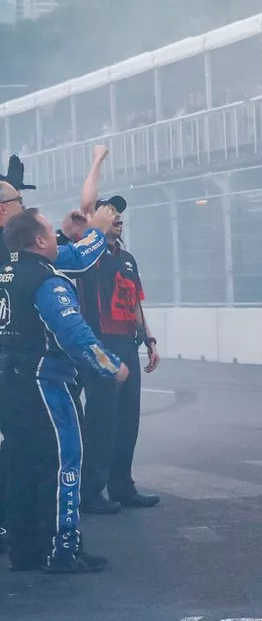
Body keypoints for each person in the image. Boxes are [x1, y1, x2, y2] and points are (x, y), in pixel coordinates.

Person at [0, 151, 115, 558]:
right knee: (59, 457)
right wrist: (96, 232)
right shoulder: (37, 270)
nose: (25, 208)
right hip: (37, 376)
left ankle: (21, 544)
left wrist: (62, 235)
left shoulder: (11, 253)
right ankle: (61, 548)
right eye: (19, 204)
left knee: (17, 460)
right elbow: (73, 327)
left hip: (9, 373)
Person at [75, 195, 161, 514]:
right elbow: (85, 208)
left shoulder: (127, 258)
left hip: (128, 342)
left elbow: (136, 301)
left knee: (128, 420)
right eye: (110, 212)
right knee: (102, 420)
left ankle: (122, 485)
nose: (118, 217)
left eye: (120, 213)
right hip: (100, 344)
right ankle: (92, 491)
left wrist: (149, 337)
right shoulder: (87, 255)